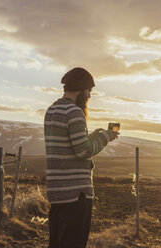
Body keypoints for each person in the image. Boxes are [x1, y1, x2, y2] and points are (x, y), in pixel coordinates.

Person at [44, 67, 118, 248]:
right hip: (76, 194)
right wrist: (105, 137)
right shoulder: (75, 112)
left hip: (56, 193)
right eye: (89, 91)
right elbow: (83, 152)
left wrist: (90, 136)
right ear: (81, 89)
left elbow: (68, 146)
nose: (89, 96)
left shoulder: (52, 110)